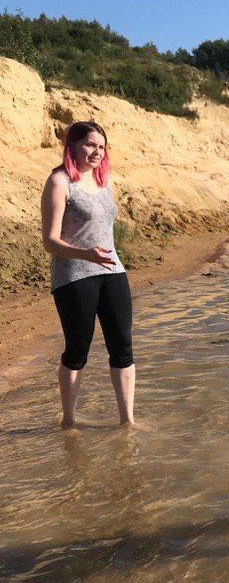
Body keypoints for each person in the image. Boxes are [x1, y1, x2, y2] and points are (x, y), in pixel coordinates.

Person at [40, 121, 135, 428]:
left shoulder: (103, 179)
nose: (97, 151)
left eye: (102, 146)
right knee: (77, 350)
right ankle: (69, 421)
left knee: (122, 345)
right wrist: (86, 254)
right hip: (75, 275)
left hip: (113, 271)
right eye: (91, 145)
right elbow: (49, 241)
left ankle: (127, 423)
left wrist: (104, 256)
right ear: (73, 145)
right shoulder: (59, 182)